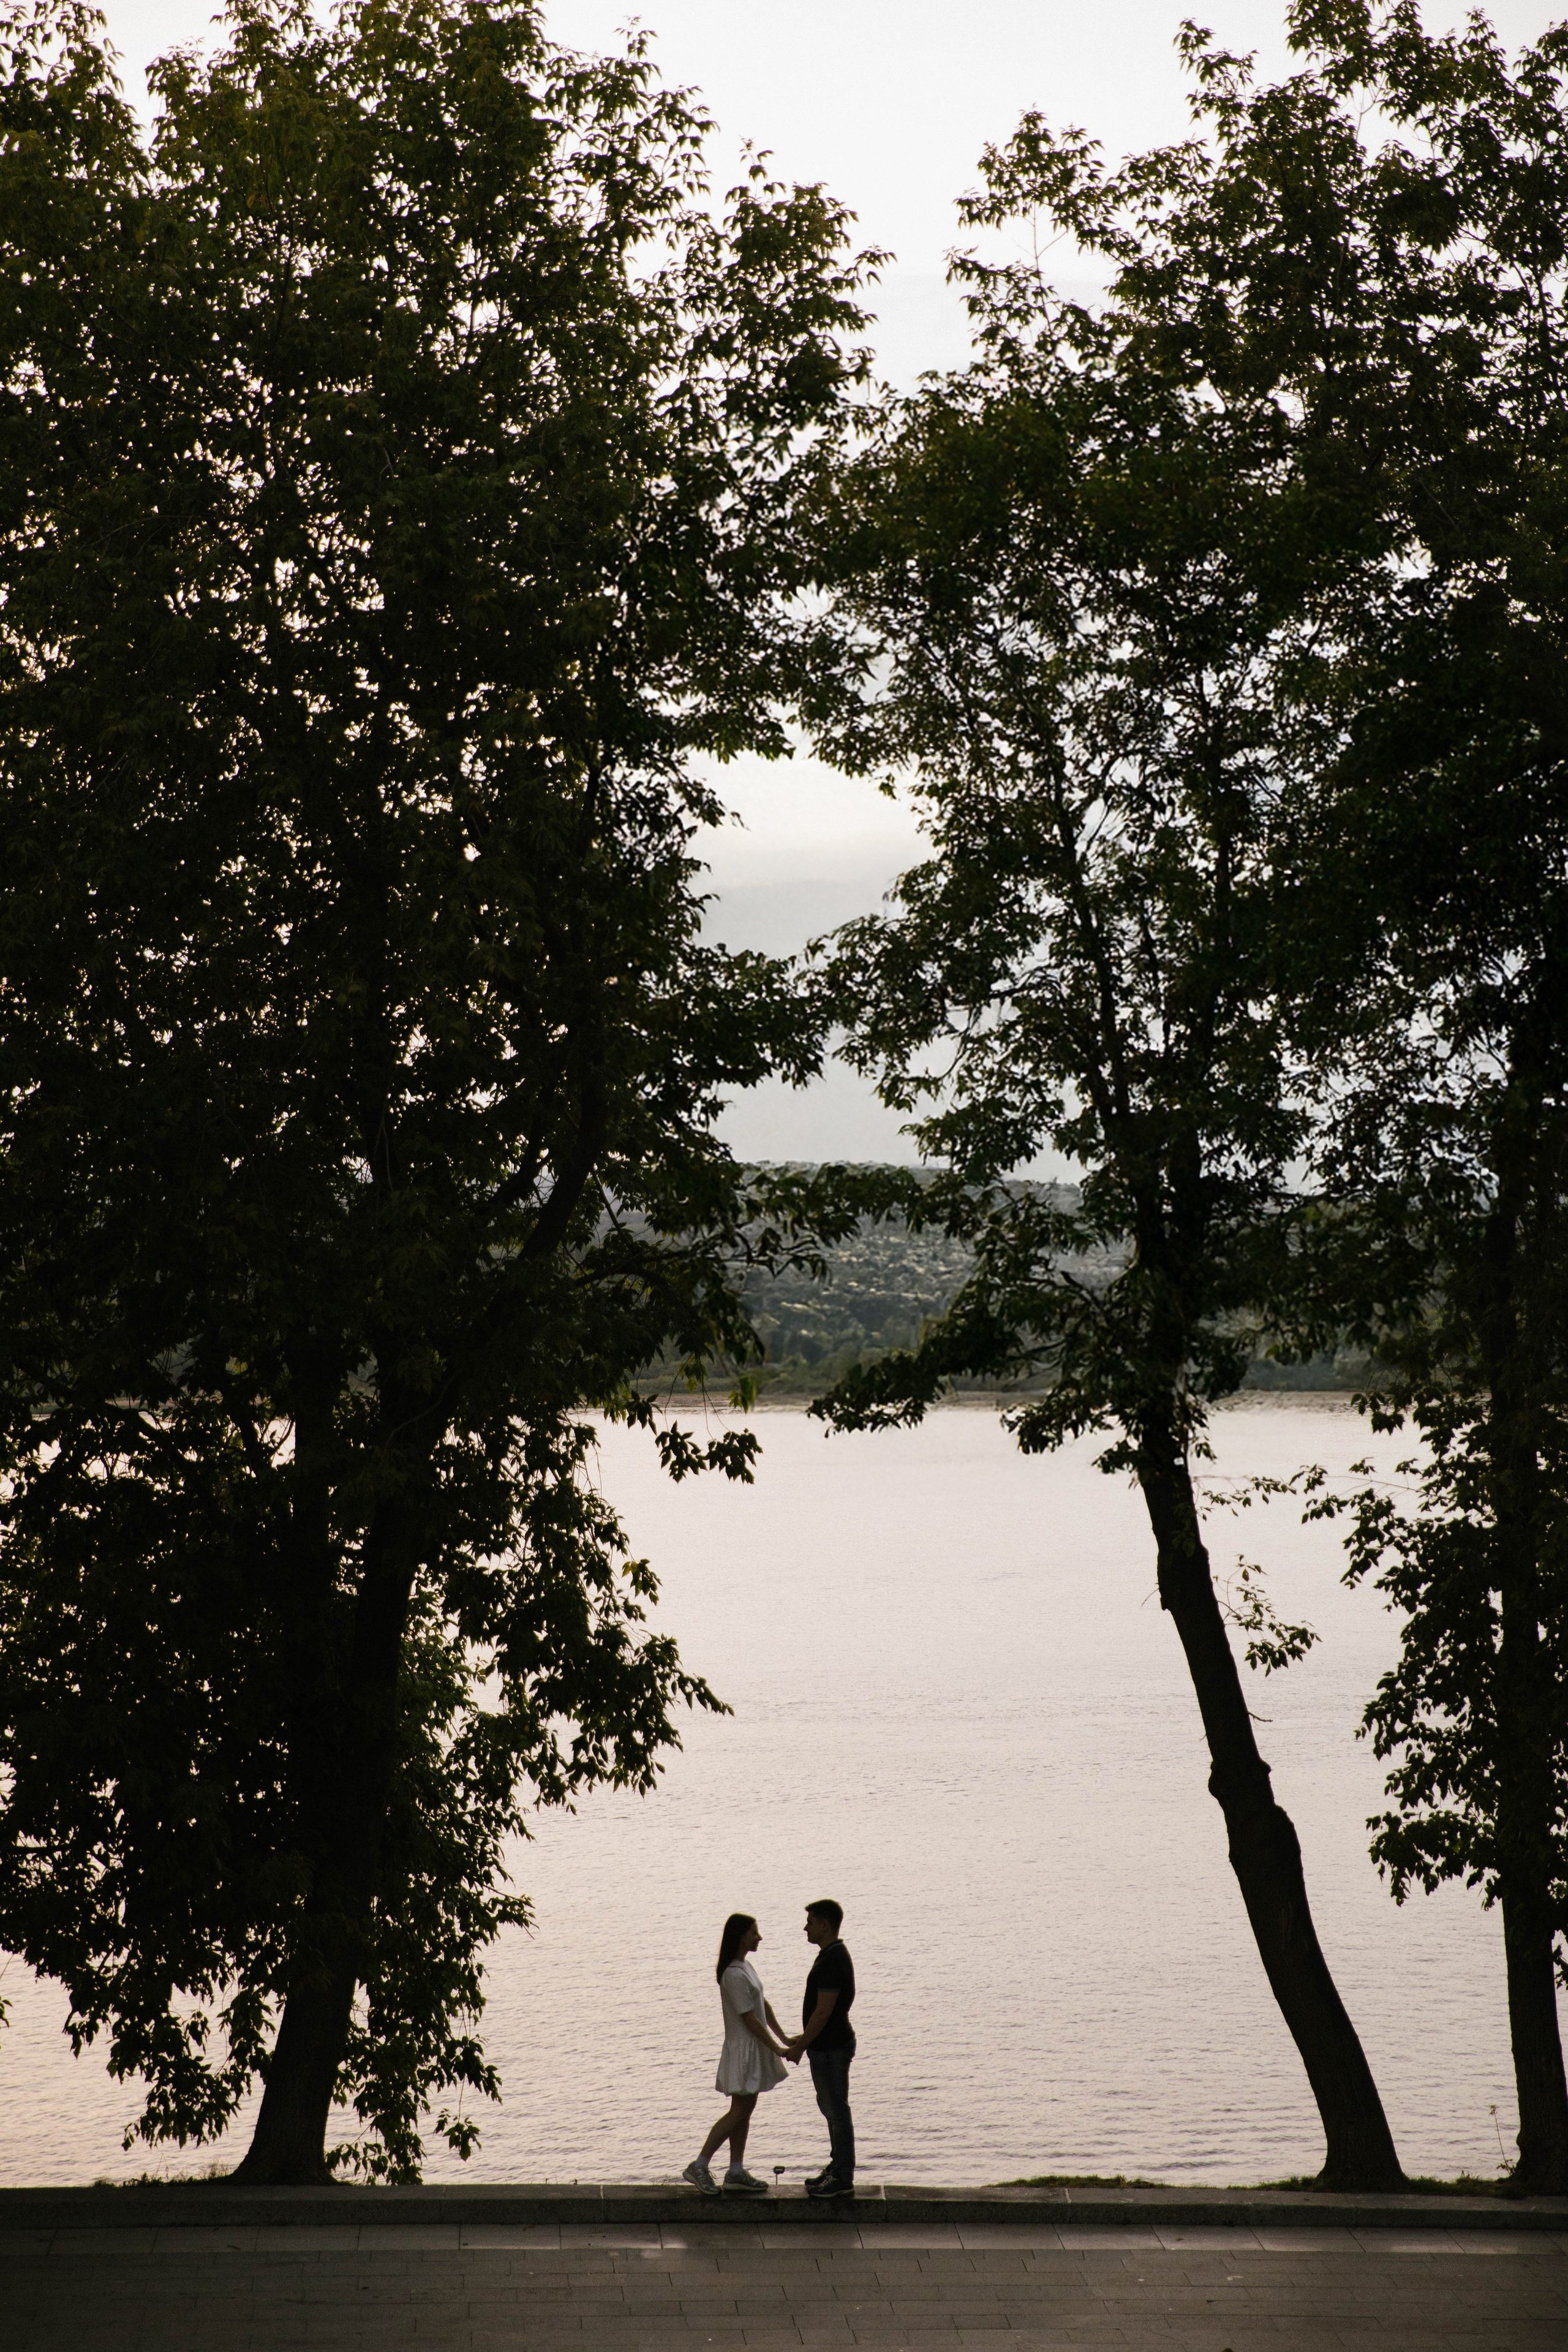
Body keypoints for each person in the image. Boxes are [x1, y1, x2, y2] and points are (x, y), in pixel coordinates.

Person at [682, 1912, 792, 2197]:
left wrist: (784, 2037)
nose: (760, 1937)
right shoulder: (732, 1973)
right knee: (739, 2111)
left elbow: (762, 2006)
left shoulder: (746, 1966)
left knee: (745, 2111)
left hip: (752, 2047)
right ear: (741, 1936)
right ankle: (700, 2165)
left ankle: (735, 2171)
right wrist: (776, 2047)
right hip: (744, 2049)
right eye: (755, 1933)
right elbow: (749, 2018)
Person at [786, 1898, 856, 2199]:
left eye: (811, 1922)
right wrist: (802, 2039)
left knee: (836, 2110)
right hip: (827, 2046)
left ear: (825, 1925)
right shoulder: (831, 1955)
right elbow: (823, 2013)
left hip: (831, 2048)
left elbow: (824, 2012)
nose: (806, 1927)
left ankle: (843, 2177)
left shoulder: (832, 1961)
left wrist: (801, 2046)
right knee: (830, 2109)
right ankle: (837, 2166)